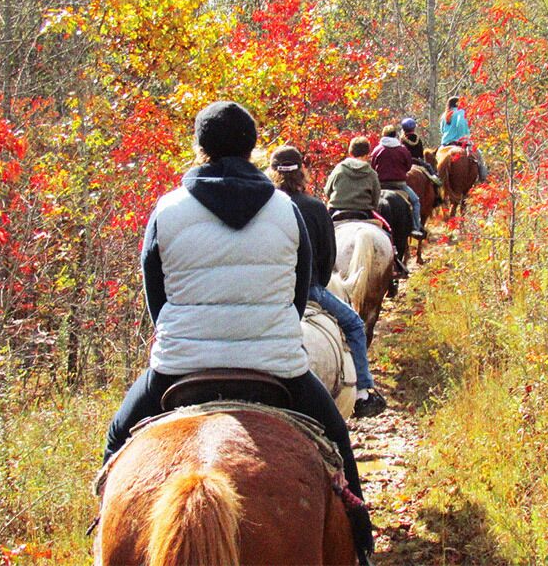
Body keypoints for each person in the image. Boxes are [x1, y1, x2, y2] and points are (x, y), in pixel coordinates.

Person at [102, 101, 375, 565]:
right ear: (252, 149)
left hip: (178, 369)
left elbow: (157, 299)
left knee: (114, 444)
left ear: (199, 147)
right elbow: (297, 293)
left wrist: (186, 337)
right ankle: (363, 542)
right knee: (338, 444)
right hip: (278, 369)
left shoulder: (166, 209)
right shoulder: (286, 210)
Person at [268, 146, 387, 419]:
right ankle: (364, 393)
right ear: (301, 173)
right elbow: (327, 258)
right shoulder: (312, 207)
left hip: (267, 291)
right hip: (308, 291)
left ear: (272, 173)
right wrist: (316, 283)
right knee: (356, 326)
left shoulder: (262, 208)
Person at [371, 125, 425, 239]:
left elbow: (372, 166)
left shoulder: (377, 149)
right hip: (399, 185)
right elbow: (409, 166)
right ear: (395, 135)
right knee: (415, 202)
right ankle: (416, 227)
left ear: (383, 135)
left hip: (380, 185)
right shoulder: (402, 149)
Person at [325, 136, 381, 220]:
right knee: (384, 230)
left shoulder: (339, 168)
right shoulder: (371, 173)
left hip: (336, 209)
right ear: (367, 155)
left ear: (350, 153)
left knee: (320, 230)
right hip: (364, 211)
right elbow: (376, 197)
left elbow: (327, 191)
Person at [439, 96, 488, 182]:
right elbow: (461, 124)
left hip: (445, 143)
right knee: (479, 155)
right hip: (460, 142)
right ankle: (483, 179)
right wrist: (464, 138)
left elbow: (442, 130)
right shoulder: (461, 112)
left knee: (435, 158)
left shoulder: (444, 115)